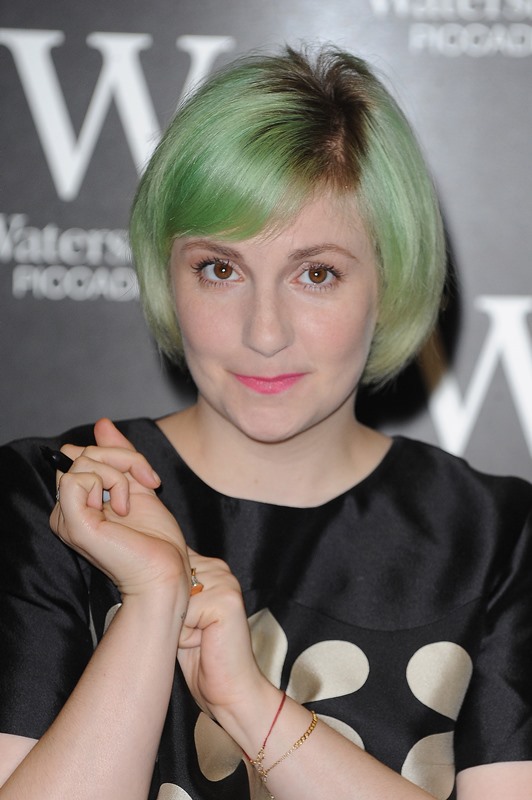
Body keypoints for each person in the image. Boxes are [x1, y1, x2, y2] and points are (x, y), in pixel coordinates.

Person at [0, 45, 531, 800]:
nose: (265, 332)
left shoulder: (500, 538)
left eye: (317, 273)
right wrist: (151, 602)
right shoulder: (52, 502)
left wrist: (250, 707)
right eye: (220, 269)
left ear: (390, 277)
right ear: (167, 275)